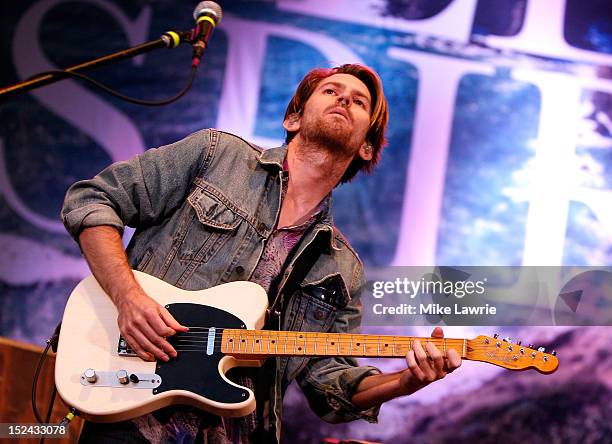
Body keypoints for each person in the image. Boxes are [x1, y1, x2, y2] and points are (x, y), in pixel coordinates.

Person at [61, 64, 461, 443]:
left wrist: (406, 382)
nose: (344, 99)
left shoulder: (342, 269)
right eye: (331, 91)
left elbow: (330, 386)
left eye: (359, 102)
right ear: (294, 119)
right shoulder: (215, 155)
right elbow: (93, 200)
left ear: (368, 148)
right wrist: (128, 298)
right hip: (132, 406)